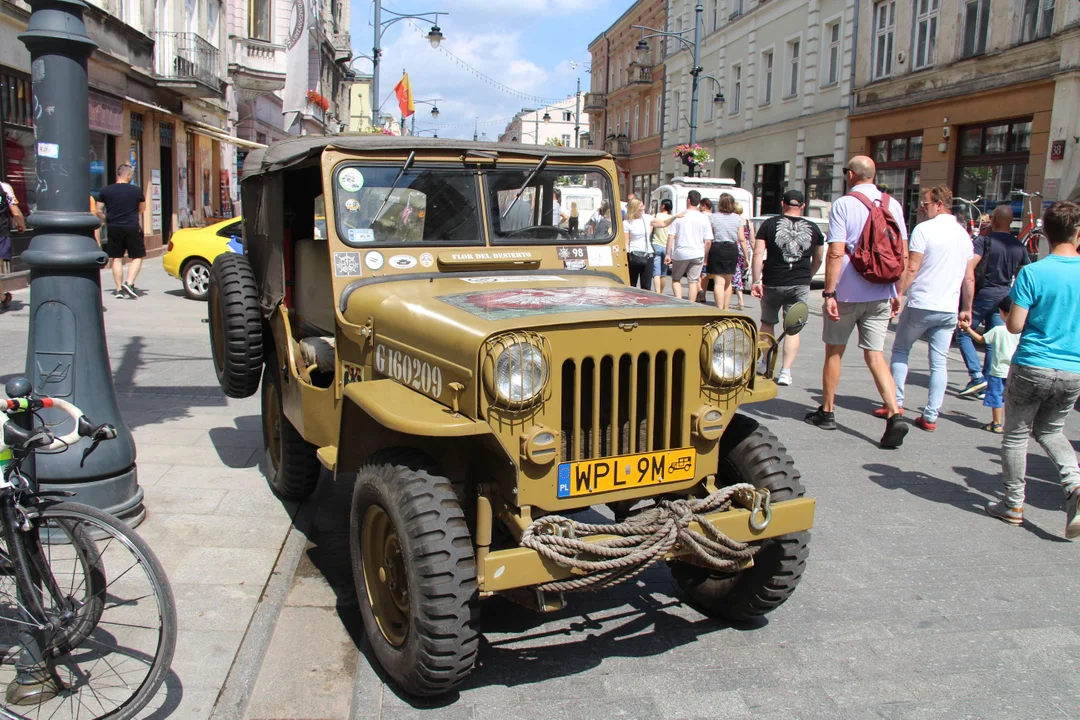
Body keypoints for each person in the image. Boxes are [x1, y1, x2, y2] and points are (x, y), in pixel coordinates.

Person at [986, 201, 1080, 538]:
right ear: (1078, 234)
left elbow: (1014, 325)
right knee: (1052, 430)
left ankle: (1012, 504)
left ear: (1044, 235)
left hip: (1033, 364)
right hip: (1072, 370)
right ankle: (1075, 482)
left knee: (1015, 435)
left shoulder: (1033, 272)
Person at [805, 155, 910, 449]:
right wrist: (897, 292)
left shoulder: (844, 205)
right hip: (881, 290)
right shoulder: (893, 204)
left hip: (848, 293)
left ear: (850, 175)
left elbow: (836, 252)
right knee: (876, 355)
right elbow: (900, 252)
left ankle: (827, 411)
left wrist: (829, 293)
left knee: (834, 352)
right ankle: (894, 413)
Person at [885, 186, 973, 432]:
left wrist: (898, 294)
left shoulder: (924, 230)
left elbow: (912, 267)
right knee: (939, 362)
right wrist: (967, 307)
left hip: (923, 302)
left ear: (939, 204)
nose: (921, 208)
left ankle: (897, 403)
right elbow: (969, 277)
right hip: (948, 308)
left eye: (925, 204)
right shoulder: (963, 235)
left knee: (901, 349)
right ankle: (931, 415)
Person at [751, 189, 825, 386]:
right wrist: (808, 275)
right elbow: (819, 257)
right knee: (793, 328)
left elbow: (758, 254)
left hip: (773, 280)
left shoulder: (769, 224)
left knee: (767, 323)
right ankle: (786, 371)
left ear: (782, 204)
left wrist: (756, 280)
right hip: (799, 281)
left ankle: (766, 363)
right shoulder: (814, 228)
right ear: (802, 206)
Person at [956, 204, 1029, 398]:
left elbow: (969, 267)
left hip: (983, 295)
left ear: (994, 221)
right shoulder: (1018, 245)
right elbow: (1024, 273)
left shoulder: (984, 241)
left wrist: (966, 300)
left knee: (963, 332)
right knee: (992, 341)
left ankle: (977, 377)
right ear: (1011, 221)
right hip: (1004, 297)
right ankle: (988, 381)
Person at [959, 297, 1020, 434]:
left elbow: (980, 339)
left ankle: (997, 423)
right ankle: (1014, 425)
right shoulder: (1020, 331)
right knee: (1013, 399)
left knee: (996, 397)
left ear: (1002, 313)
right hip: (1014, 371)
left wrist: (967, 329)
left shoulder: (998, 330)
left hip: (997, 372)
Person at [98, 164, 146, 299]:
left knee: (117, 258)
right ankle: (129, 283)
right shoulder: (136, 191)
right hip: (131, 226)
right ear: (129, 175)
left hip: (113, 227)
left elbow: (98, 210)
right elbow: (142, 208)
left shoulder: (106, 191)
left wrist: (106, 220)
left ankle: (119, 289)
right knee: (137, 256)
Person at [665, 190, 713, 300]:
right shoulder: (704, 218)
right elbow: (708, 241)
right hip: (698, 253)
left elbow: (671, 236)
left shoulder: (680, 216)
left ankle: (679, 300)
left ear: (688, 200)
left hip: (681, 252)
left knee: (676, 279)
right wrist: (705, 256)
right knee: (693, 281)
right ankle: (691, 304)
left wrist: (668, 254)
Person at [703, 193, 748, 310]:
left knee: (719, 282)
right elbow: (742, 239)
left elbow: (709, 237)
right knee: (729, 282)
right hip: (732, 249)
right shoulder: (737, 218)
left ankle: (719, 309)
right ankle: (726, 308)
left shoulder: (713, 217)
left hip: (717, 248)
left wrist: (705, 255)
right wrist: (746, 257)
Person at [624, 198, 679, 291]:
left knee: (646, 286)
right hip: (633, 256)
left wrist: (675, 217)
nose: (643, 208)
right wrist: (625, 257)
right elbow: (626, 242)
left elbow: (664, 223)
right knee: (631, 285)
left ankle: (644, 303)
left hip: (648, 254)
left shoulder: (647, 218)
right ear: (635, 207)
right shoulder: (626, 223)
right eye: (641, 206)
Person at [0, 178, 26, 310]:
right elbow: (15, 212)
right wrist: (22, 224)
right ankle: (3, 299)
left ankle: (4, 299)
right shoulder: (4, 187)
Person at [651, 198, 673, 293]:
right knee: (664, 273)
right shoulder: (673, 218)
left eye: (660, 204)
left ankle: (657, 292)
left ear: (663, 205)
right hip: (668, 247)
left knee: (656, 273)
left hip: (656, 244)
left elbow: (651, 230)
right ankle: (661, 292)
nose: (659, 206)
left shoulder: (656, 216)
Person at [731, 201, 750, 311]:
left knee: (736, 273)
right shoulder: (748, 222)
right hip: (747, 248)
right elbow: (752, 239)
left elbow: (740, 238)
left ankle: (740, 301)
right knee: (741, 273)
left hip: (737, 246)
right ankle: (739, 299)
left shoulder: (736, 221)